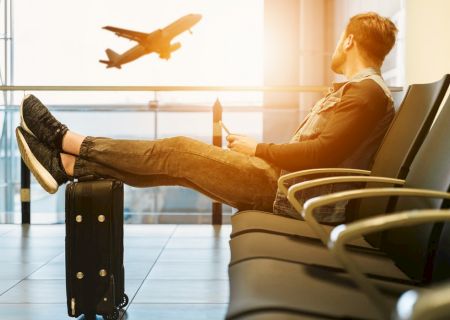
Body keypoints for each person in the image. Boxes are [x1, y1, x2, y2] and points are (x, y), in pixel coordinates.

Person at [16, 12, 397, 224]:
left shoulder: (365, 93)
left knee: (178, 150)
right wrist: (260, 151)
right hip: (287, 186)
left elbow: (322, 154)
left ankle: (67, 141)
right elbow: (322, 152)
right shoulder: (361, 92)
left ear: (348, 41)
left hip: (289, 194)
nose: (335, 47)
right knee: (179, 167)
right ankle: (67, 165)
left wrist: (259, 148)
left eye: (338, 40)